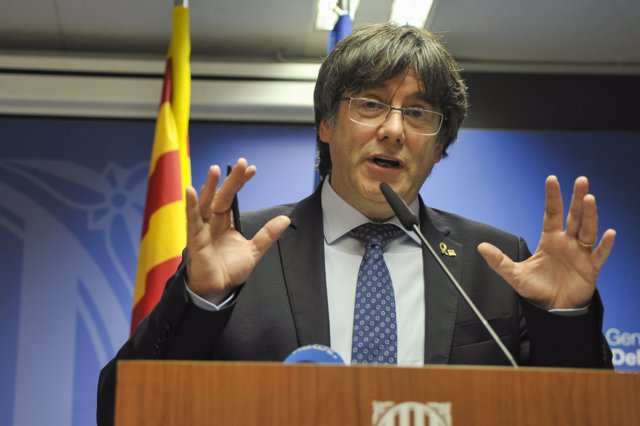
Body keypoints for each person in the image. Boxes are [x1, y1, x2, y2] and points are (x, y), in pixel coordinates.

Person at [97, 23, 615, 424]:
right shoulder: (240, 253)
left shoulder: (494, 261)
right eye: (370, 104)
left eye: (418, 114)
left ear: (439, 148)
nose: (392, 130)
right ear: (326, 124)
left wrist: (565, 317)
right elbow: (121, 404)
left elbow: (583, 414)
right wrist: (200, 300)